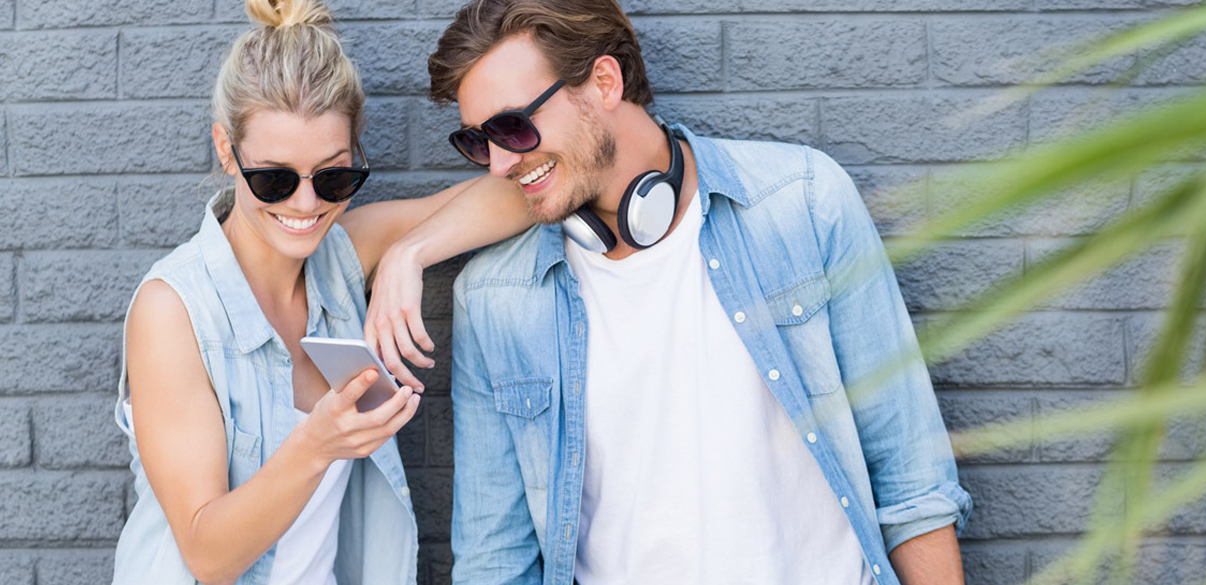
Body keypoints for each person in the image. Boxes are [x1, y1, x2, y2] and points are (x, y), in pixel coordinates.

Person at [376, 0, 971, 582]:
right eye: (479, 142)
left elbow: (912, 482)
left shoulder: (803, 204)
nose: (499, 165)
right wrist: (410, 248)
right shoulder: (495, 299)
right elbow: (495, 560)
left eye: (512, 127)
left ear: (604, 82)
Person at [111, 0, 535, 583]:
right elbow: (207, 554)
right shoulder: (174, 310)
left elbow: (520, 195)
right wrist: (317, 445)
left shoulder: (340, 256)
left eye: (334, 176)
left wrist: (407, 255)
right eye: (274, 179)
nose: (307, 206)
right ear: (224, 150)